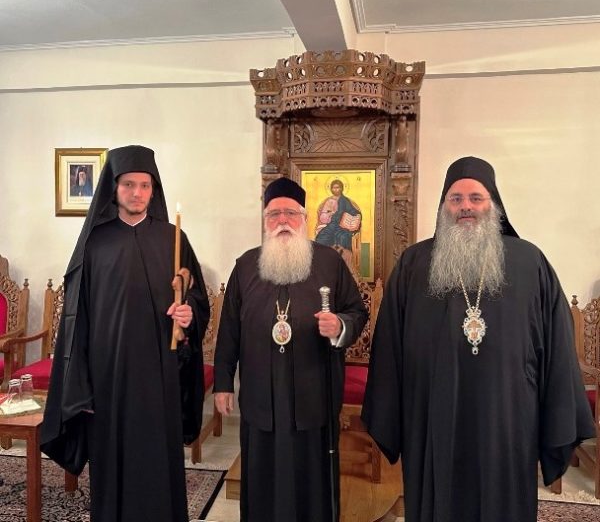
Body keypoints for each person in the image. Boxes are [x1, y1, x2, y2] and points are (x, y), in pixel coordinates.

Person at [362, 156, 596, 522]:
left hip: (508, 419)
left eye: (476, 197)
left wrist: (557, 419)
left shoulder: (530, 262)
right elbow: (390, 346)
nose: (465, 207)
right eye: (455, 198)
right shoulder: (414, 264)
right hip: (432, 418)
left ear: (493, 204)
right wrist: (391, 413)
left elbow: (558, 349)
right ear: (444, 206)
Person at [41, 145, 210, 522]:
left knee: (158, 462)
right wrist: (81, 386)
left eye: (145, 185)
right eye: (129, 185)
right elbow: (77, 319)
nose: (137, 193)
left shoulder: (174, 238)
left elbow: (196, 300)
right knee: (112, 464)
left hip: (160, 375)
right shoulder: (95, 243)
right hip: (109, 377)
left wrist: (188, 315)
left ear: (154, 189)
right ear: (113, 188)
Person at [214, 176, 368, 522]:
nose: (282, 221)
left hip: (313, 393)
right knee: (262, 476)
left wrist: (340, 325)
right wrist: (223, 383)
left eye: (290, 214)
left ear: (305, 219)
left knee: (311, 480)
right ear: (265, 221)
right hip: (260, 394)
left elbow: (357, 312)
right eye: (274, 214)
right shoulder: (246, 266)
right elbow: (229, 329)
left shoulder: (329, 262)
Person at [315, 179, 362, 272]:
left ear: (342, 188)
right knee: (321, 237)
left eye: (338, 187)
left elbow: (354, 212)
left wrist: (355, 217)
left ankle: (343, 268)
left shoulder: (345, 201)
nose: (336, 189)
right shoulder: (328, 201)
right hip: (331, 225)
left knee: (343, 237)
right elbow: (323, 215)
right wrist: (328, 213)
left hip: (342, 227)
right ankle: (324, 266)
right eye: (334, 187)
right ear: (331, 189)